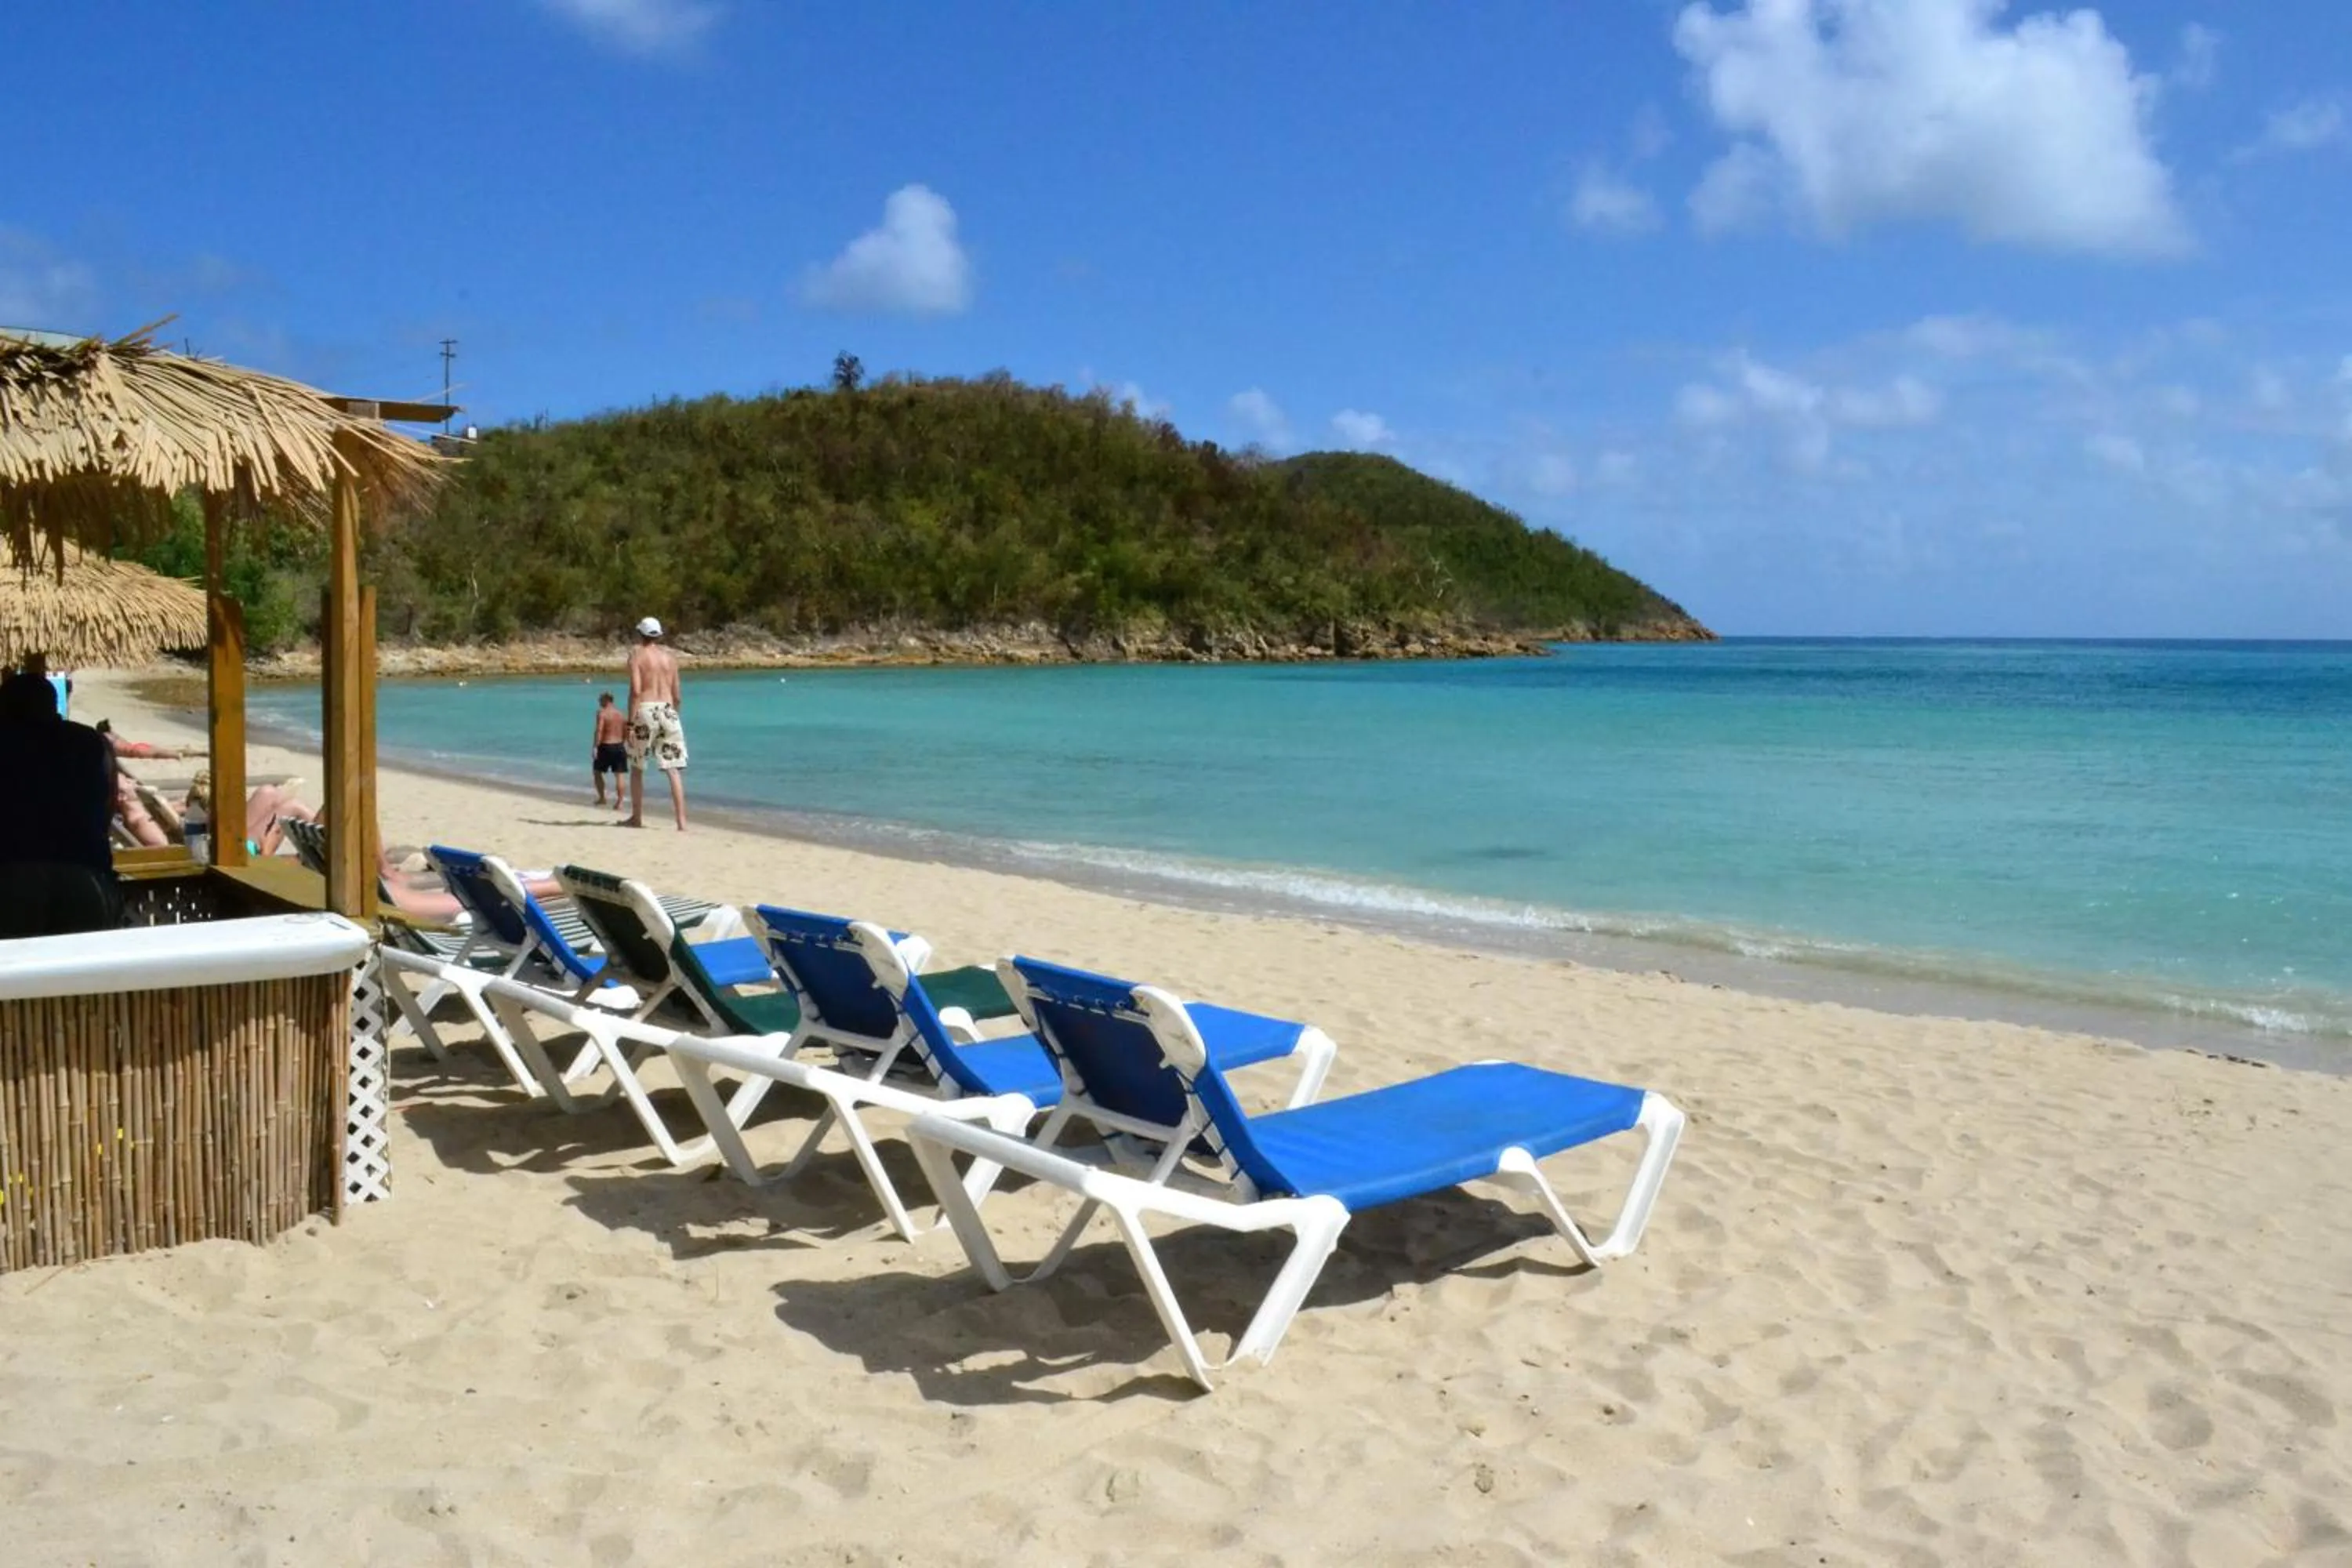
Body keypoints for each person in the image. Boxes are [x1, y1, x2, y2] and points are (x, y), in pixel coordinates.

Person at [0, 668, 122, 937]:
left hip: (10, 876)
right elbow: (108, 807)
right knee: (85, 972)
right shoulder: (92, 742)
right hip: (86, 874)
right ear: (53, 705)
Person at [623, 615, 688, 832]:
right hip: (668, 710)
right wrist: (673, 714)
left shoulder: (637, 655)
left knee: (637, 766)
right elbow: (677, 695)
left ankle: (637, 817)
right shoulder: (670, 658)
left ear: (640, 634)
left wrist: (630, 724)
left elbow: (636, 690)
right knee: (673, 769)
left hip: (646, 709)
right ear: (658, 635)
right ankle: (681, 822)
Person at [590, 691, 629, 811]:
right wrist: (624, 744)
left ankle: (602, 797)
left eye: (600, 699)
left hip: (605, 746)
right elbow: (626, 731)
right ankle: (620, 802)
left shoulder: (602, 713)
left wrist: (595, 747)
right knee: (620, 775)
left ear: (607, 700)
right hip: (619, 746)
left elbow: (599, 730)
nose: (599, 701)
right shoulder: (621, 714)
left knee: (597, 772)